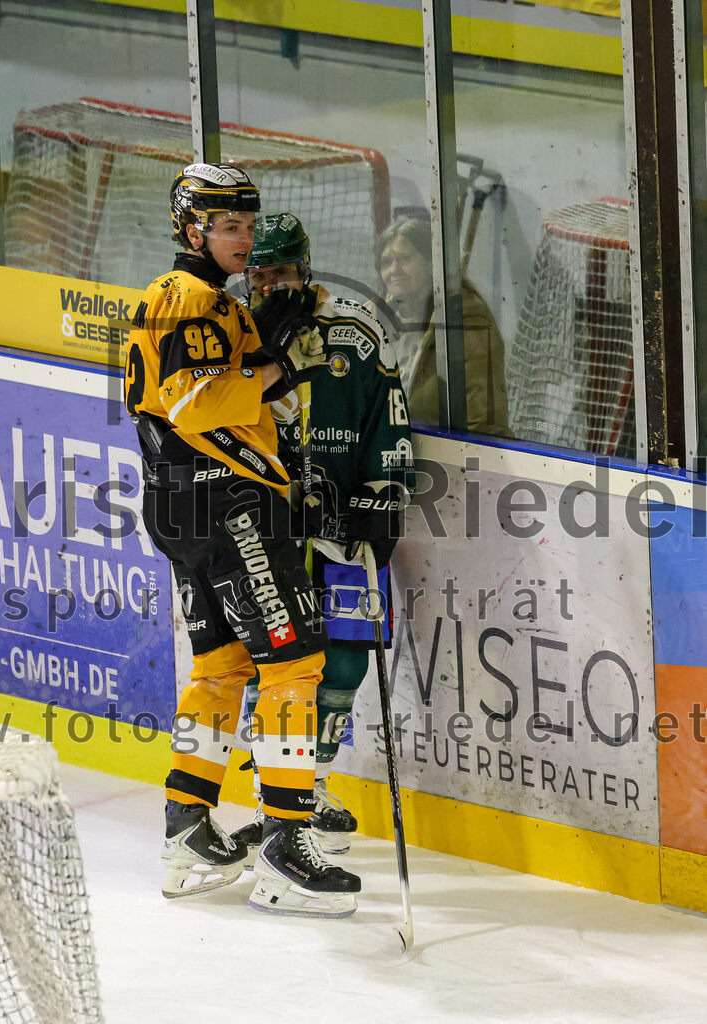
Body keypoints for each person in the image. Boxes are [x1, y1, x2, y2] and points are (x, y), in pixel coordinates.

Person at [125, 164, 361, 917]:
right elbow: (205, 404)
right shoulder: (193, 301)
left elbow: (237, 384)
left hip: (182, 506)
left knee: (223, 667)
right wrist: (286, 354)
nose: (244, 239)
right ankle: (288, 844)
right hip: (226, 504)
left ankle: (187, 825)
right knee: (294, 665)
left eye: (249, 227)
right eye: (230, 227)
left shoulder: (186, 299)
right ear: (191, 229)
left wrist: (273, 333)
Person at [231, 212, 413, 859]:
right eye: (259, 271)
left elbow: (388, 420)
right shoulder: (231, 336)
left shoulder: (357, 333)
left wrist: (380, 496)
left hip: (343, 532)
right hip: (271, 533)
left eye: (280, 270)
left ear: (305, 268)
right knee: (277, 661)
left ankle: (314, 781)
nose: (269, 283)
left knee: (346, 659)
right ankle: (278, 798)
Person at [373, 216, 509, 436]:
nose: (394, 270)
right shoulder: (374, 317)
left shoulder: (465, 319)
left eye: (405, 259)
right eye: (386, 263)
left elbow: (483, 421)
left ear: (430, 263)